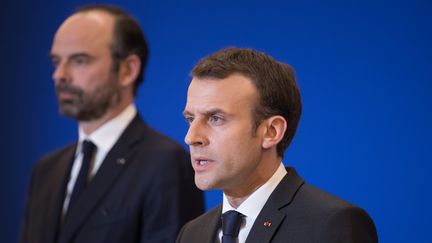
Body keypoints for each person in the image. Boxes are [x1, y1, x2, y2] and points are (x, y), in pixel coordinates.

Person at [20, 4, 204, 243]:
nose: (60, 75)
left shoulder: (166, 163)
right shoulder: (45, 171)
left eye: (79, 60)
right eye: (57, 61)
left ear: (128, 70)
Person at [176, 47, 378, 243]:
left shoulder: (333, 225)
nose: (191, 137)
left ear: (272, 132)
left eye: (216, 118)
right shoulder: (191, 234)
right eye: (190, 119)